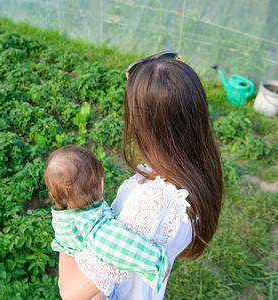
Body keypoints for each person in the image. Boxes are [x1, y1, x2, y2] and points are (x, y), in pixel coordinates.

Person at [57, 51, 223, 300]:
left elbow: (72, 293)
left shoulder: (150, 205)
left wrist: (70, 214)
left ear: (142, 123)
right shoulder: (194, 171)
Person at [45, 145, 171, 298]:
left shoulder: (64, 218)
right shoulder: (93, 227)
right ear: (101, 185)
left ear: (52, 195)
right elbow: (119, 245)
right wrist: (156, 263)